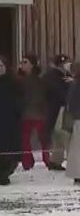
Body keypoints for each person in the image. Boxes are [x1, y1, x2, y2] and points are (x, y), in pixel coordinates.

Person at [15, 54, 52, 170]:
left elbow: (41, 96)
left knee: (43, 138)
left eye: (25, 62)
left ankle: (47, 160)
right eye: (21, 62)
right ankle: (27, 162)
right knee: (25, 140)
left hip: (38, 113)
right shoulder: (18, 80)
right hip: (25, 114)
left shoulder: (39, 80)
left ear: (32, 64)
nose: (22, 65)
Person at [43, 53, 72, 171]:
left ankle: (56, 160)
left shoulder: (63, 75)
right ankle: (67, 161)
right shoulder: (53, 76)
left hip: (57, 109)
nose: (67, 65)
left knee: (58, 136)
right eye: (65, 63)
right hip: (58, 108)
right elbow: (59, 93)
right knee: (64, 135)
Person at [0, 56, 22, 186]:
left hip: (10, 121)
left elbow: (20, 100)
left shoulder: (13, 83)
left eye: (1, 66)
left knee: (9, 149)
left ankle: (5, 172)